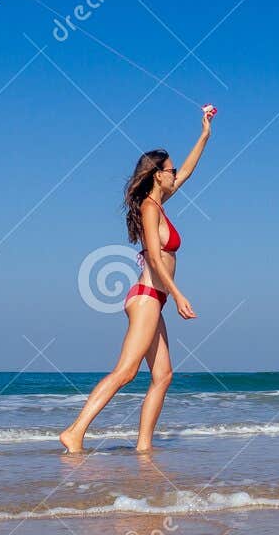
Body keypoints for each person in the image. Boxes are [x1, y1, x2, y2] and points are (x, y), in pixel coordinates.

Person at [59, 105, 216, 454]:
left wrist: (205, 133)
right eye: (170, 169)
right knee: (126, 371)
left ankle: (143, 447)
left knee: (163, 376)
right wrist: (178, 295)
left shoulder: (161, 202)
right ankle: (74, 431)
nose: (175, 173)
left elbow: (188, 170)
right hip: (147, 296)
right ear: (157, 174)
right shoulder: (148, 208)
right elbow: (157, 259)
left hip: (153, 301)